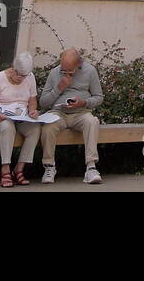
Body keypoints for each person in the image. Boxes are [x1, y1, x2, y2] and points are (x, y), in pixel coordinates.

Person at [37, 47, 104, 185]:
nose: (65, 72)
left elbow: (99, 97)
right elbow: (43, 103)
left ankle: (91, 168)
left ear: (79, 64)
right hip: (58, 113)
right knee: (48, 127)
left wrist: (84, 103)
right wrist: (59, 88)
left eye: (69, 70)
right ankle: (49, 167)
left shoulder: (90, 71)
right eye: (63, 69)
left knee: (92, 122)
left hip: (81, 113)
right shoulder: (54, 73)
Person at [0, 52, 41, 187]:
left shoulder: (30, 78)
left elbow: (32, 100)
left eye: (24, 76)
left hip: (21, 117)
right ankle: (5, 169)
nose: (20, 78)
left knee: (35, 128)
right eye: (18, 74)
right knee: (7, 126)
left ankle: (19, 169)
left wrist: (32, 110)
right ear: (13, 68)